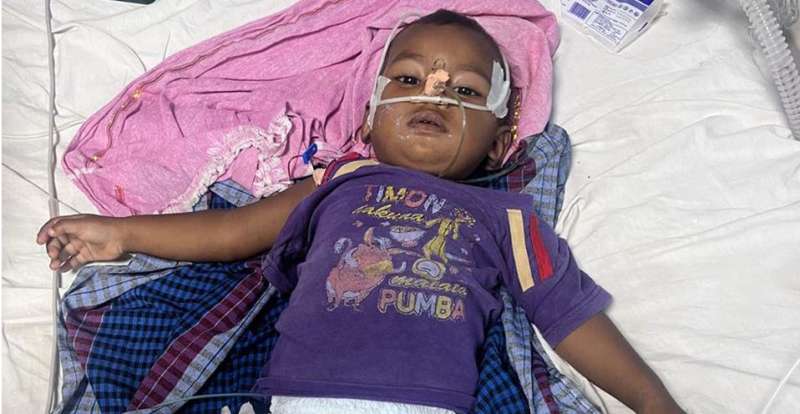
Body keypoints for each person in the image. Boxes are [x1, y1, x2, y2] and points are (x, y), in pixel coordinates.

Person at [38, 10, 683, 414]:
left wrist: (655, 404)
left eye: (465, 91)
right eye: (408, 80)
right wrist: (122, 234)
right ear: (370, 117)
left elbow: (571, 317)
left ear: (499, 138)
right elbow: (233, 230)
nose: (435, 96)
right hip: (296, 395)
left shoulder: (507, 217)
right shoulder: (339, 180)